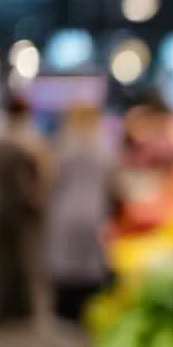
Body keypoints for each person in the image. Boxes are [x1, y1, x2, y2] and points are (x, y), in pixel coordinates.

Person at [46, 106, 118, 324]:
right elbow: (113, 181)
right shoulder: (104, 147)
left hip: (66, 211)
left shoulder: (64, 144)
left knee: (69, 265)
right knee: (88, 265)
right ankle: (84, 312)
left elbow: (51, 177)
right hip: (93, 211)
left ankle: (66, 315)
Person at [0, 97, 54, 338]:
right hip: (21, 209)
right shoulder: (32, 140)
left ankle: (6, 307)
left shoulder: (2, 136)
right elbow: (45, 173)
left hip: (2, 206)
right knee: (24, 257)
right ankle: (20, 308)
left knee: (3, 258)